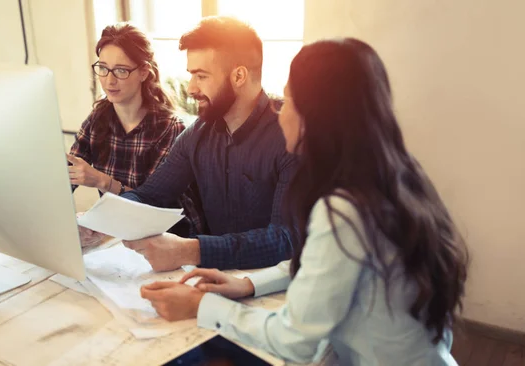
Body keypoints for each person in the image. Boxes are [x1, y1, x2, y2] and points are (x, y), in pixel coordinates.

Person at [139, 38, 469, 365]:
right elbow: (323, 263)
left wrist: (200, 307)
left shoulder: (344, 209)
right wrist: (247, 283)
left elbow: (295, 340)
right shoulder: (398, 175)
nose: (281, 115)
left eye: (289, 101)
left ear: (317, 115)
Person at [117, 16, 299, 271]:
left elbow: (286, 239)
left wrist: (190, 250)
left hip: (277, 289)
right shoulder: (198, 134)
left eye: (201, 76)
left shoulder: (291, 134)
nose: (191, 88)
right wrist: (102, 221)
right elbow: (149, 196)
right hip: (215, 279)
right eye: (191, 75)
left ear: (238, 76)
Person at [68, 23, 202, 237]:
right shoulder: (98, 119)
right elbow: (67, 175)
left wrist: (102, 181)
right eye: (103, 68)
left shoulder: (170, 128)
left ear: (143, 72)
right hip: (120, 232)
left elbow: (150, 205)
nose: (109, 80)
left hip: (170, 239)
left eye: (121, 70)